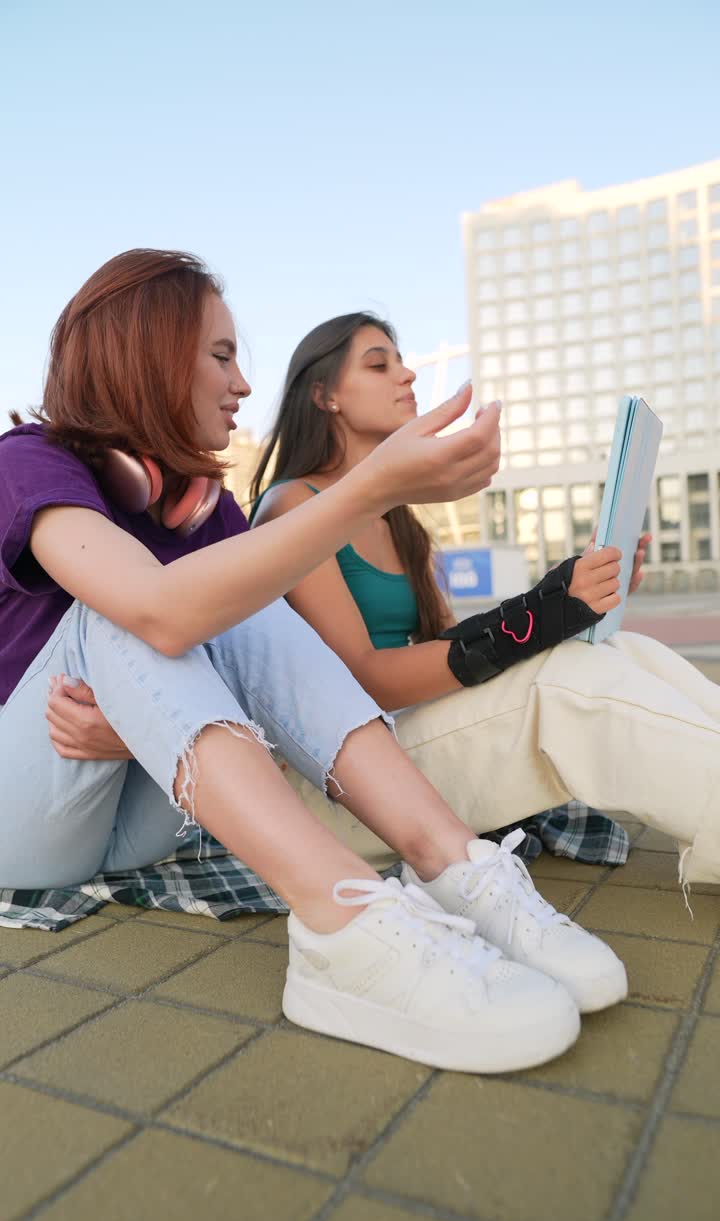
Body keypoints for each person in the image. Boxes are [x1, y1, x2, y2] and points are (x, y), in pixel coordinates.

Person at [1, 249, 636, 1080]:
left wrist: (138, 725)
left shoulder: (208, 508)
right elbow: (156, 611)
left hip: (141, 814)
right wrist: (369, 487)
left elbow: (248, 658)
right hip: (28, 816)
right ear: (146, 353)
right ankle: (343, 929)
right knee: (132, 612)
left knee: (255, 593)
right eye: (221, 356)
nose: (240, 385)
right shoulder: (29, 462)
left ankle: (458, 870)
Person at [248, 312, 720, 896]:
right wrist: (543, 615)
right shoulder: (293, 506)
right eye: (379, 364)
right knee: (564, 685)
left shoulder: (400, 524)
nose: (408, 373)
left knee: (625, 651)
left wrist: (579, 603)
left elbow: (449, 657)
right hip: (339, 781)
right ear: (323, 396)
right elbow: (364, 678)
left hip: (404, 748)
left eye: (402, 359)